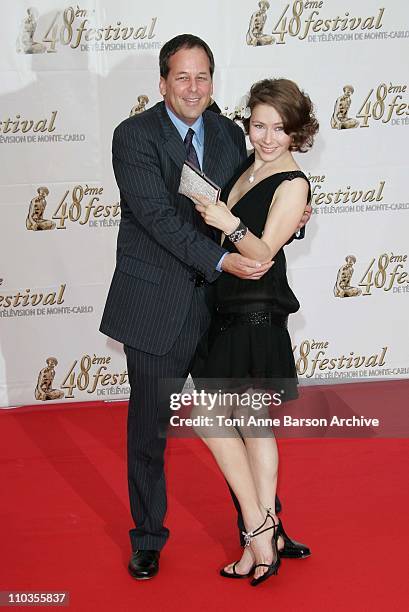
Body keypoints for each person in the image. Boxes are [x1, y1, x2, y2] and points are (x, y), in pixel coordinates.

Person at [100, 35, 310, 580]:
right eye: (182, 77)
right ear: (163, 82)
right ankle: (148, 537)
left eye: (203, 77)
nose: (193, 87)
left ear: (212, 81)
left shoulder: (225, 132)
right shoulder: (134, 137)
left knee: (241, 421)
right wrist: (223, 263)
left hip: (222, 310)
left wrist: (293, 217)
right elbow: (160, 221)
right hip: (155, 305)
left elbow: (253, 196)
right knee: (149, 429)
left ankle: (264, 527)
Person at [192, 78, 319, 585]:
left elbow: (264, 253)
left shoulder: (293, 182)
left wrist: (227, 222)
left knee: (215, 417)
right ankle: (266, 530)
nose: (267, 137)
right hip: (226, 306)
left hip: (255, 312)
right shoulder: (252, 164)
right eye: (260, 125)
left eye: (279, 129)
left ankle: (257, 528)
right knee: (247, 418)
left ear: (296, 133)